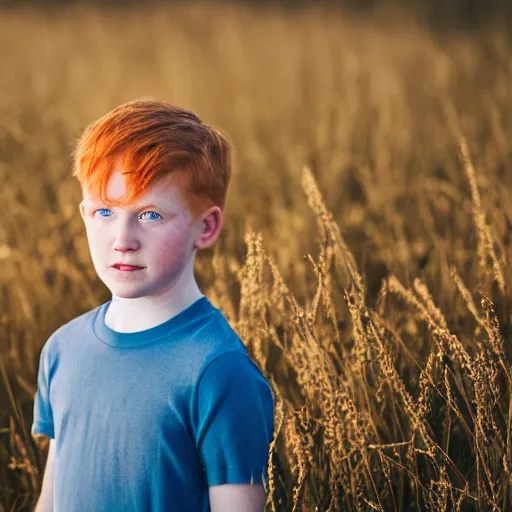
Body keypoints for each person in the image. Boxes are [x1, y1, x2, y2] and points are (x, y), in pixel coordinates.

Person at [31, 98, 275, 512]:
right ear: (85, 215)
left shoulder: (219, 372)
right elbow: (50, 500)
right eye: (105, 211)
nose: (122, 238)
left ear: (207, 226)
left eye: (150, 216)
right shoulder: (62, 350)